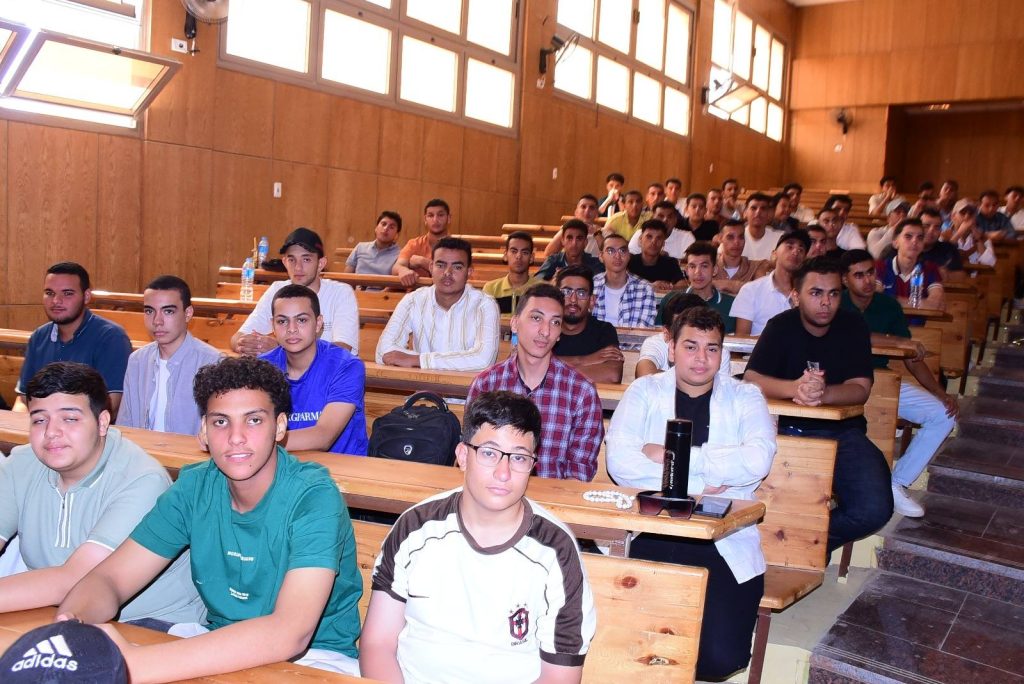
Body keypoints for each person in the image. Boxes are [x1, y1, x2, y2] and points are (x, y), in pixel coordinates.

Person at [56, 356, 364, 678]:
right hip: (216, 641)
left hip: (313, 659)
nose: (236, 437)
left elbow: (290, 633)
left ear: (280, 426)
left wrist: (135, 665)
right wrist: (72, 625)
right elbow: (109, 579)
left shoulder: (314, 496)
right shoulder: (195, 487)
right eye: (220, 422)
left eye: (254, 420)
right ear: (203, 429)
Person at [360, 391, 597, 683]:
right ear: (462, 456)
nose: (503, 473)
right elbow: (377, 644)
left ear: (532, 465)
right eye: (488, 453)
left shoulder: (555, 551)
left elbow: (559, 678)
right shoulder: (415, 528)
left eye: (519, 457)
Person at [607, 307, 775, 680]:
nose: (701, 358)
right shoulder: (645, 391)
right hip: (654, 530)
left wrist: (674, 457)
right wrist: (706, 483)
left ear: (722, 353)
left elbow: (757, 460)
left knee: (719, 661)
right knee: (632, 646)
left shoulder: (745, 396)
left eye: (711, 348)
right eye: (690, 346)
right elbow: (621, 463)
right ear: (671, 349)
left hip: (723, 536)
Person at [0, 362, 203, 623]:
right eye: (40, 420)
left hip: (153, 623)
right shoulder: (21, 464)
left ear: (102, 422)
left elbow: (77, 579)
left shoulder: (141, 480)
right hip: (52, 610)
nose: (51, 432)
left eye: (69, 419)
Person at [744, 258, 893, 554]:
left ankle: (806, 547)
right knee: (751, 498)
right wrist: (795, 388)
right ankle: (789, 547)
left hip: (841, 433)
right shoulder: (780, 326)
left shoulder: (853, 326)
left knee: (874, 509)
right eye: (815, 293)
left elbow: (860, 389)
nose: (826, 302)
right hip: (782, 430)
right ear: (796, 296)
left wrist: (823, 394)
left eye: (834, 293)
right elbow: (751, 379)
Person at [840, 250, 958, 517]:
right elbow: (856, 335)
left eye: (870, 273)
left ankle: (897, 482)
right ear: (845, 279)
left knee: (943, 415)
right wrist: (895, 341)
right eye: (858, 275)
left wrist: (940, 393)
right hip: (841, 381)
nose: (867, 280)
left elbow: (911, 356)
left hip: (882, 380)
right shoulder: (835, 302)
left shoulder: (888, 305)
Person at [468, 284, 603, 481]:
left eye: (555, 322)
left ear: (560, 333)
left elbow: (579, 473)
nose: (545, 331)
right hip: (494, 490)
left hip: (554, 497)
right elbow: (473, 457)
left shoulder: (582, 392)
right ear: (515, 323)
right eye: (536, 318)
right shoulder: (486, 384)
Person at [13, 262, 132, 418]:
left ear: (86, 296)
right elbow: (23, 399)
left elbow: (111, 405)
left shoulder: (111, 337)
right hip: (43, 425)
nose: (56, 301)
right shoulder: (39, 337)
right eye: (49, 293)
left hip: (88, 430)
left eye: (67, 293)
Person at [261, 284, 368, 456]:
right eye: (282, 321)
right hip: (281, 462)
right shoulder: (262, 367)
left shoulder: (347, 366)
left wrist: (255, 441)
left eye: (302, 320)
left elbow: (323, 436)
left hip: (340, 467)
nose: (291, 329)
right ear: (272, 325)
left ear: (318, 324)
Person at [376, 237, 500, 371]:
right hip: (421, 383)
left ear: (469, 272)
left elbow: (484, 360)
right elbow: (383, 352)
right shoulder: (413, 300)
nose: (447, 273)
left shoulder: (484, 305)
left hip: (468, 385)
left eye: (457, 267)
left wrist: (419, 360)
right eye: (440, 265)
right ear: (431, 267)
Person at [118, 276, 222, 436]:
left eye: (168, 311)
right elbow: (125, 425)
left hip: (192, 452)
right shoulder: (137, 360)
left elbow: (219, 431)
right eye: (149, 311)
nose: (157, 321)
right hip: (141, 450)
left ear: (188, 313)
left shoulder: (213, 363)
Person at [231, 228, 359, 356]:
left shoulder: (341, 293)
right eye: (292, 260)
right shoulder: (277, 290)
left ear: (321, 263)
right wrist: (248, 344)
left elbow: (342, 350)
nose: (298, 267)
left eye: (306, 259)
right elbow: (237, 338)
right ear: (284, 262)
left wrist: (281, 349)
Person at [731, 230, 810, 336]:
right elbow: (741, 340)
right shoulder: (751, 290)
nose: (795, 252)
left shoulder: (809, 295)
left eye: (801, 250)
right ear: (774, 253)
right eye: (790, 247)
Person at [553, 266, 624, 383]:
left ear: (591, 301)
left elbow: (612, 376)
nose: (573, 300)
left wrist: (552, 367)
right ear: (556, 298)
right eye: (566, 292)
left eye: (581, 293)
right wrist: (584, 360)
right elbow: (530, 365)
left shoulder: (603, 330)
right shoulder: (546, 328)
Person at [637, 294, 732, 378]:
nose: (690, 334)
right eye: (679, 328)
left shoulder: (718, 352)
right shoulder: (656, 343)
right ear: (667, 334)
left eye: (697, 327)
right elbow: (645, 376)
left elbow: (720, 388)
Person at [875, 218, 946, 312]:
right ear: (895, 242)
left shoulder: (930, 269)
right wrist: (921, 304)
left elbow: (936, 304)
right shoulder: (879, 267)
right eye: (908, 236)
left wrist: (891, 300)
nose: (915, 241)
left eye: (920, 238)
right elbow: (875, 299)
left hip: (920, 322)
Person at [668, 241, 737, 333]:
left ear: (715, 270)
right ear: (687, 270)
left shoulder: (732, 305)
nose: (698, 272)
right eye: (692, 266)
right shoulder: (670, 300)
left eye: (704, 266)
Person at [592, 233, 657, 327]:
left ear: (629, 256)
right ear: (601, 256)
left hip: (632, 337)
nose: (617, 256)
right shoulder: (591, 285)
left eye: (622, 251)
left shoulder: (645, 288)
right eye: (610, 251)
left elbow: (644, 329)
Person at [393, 199, 452, 286]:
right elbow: (396, 267)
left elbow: (455, 275)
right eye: (430, 215)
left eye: (440, 215)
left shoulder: (459, 247)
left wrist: (423, 262)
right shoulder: (414, 243)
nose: (435, 220)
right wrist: (403, 270)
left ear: (449, 218)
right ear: (425, 219)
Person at [482, 231, 544, 313]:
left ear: (531, 258)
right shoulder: (491, 289)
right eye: (514, 251)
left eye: (525, 252)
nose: (519, 256)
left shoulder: (543, 289)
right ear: (505, 255)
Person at [626, 219, 686, 291]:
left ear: (663, 243)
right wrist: (651, 286)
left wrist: (668, 288)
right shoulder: (629, 261)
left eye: (659, 238)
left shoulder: (670, 263)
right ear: (640, 240)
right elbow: (620, 283)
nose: (654, 242)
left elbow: (683, 285)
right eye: (649, 237)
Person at [535, 219, 605, 280]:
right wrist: (553, 282)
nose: (574, 243)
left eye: (579, 238)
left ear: (585, 242)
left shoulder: (595, 264)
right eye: (569, 238)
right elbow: (537, 282)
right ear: (562, 241)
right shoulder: (553, 260)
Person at [714, 220, 769, 296]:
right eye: (730, 237)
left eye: (741, 237)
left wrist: (724, 284)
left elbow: (760, 291)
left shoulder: (756, 266)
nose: (736, 242)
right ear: (720, 238)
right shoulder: (710, 266)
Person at [542, 194, 605, 260]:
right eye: (583, 207)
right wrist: (567, 228)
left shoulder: (604, 232)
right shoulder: (567, 230)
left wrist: (597, 234)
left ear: (596, 214)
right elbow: (548, 254)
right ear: (576, 212)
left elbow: (608, 253)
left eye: (591, 208)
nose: (587, 211)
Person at [628, 200, 697, 258]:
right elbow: (629, 258)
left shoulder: (686, 237)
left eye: (670, 217)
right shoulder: (641, 234)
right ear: (652, 217)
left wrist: (666, 260)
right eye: (660, 216)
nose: (665, 220)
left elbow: (692, 261)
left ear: (675, 220)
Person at [345, 211, 402, 275]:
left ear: (397, 235)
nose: (386, 228)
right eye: (383, 224)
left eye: (391, 227)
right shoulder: (360, 247)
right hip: (358, 282)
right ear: (376, 228)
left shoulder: (400, 255)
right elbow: (347, 277)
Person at [948, 198, 996, 266]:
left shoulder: (983, 238)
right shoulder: (944, 235)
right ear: (953, 216)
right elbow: (941, 258)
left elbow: (990, 263)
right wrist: (959, 233)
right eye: (963, 212)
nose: (967, 216)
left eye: (971, 213)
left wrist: (978, 239)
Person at [919, 206, 962, 277]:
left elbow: (961, 275)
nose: (931, 230)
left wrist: (946, 274)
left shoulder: (948, 249)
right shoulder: (906, 248)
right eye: (926, 226)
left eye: (937, 227)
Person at [741, 193, 783, 261]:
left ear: (768, 214)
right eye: (753, 208)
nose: (758, 212)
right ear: (745, 212)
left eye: (763, 209)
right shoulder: (735, 237)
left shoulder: (780, 238)